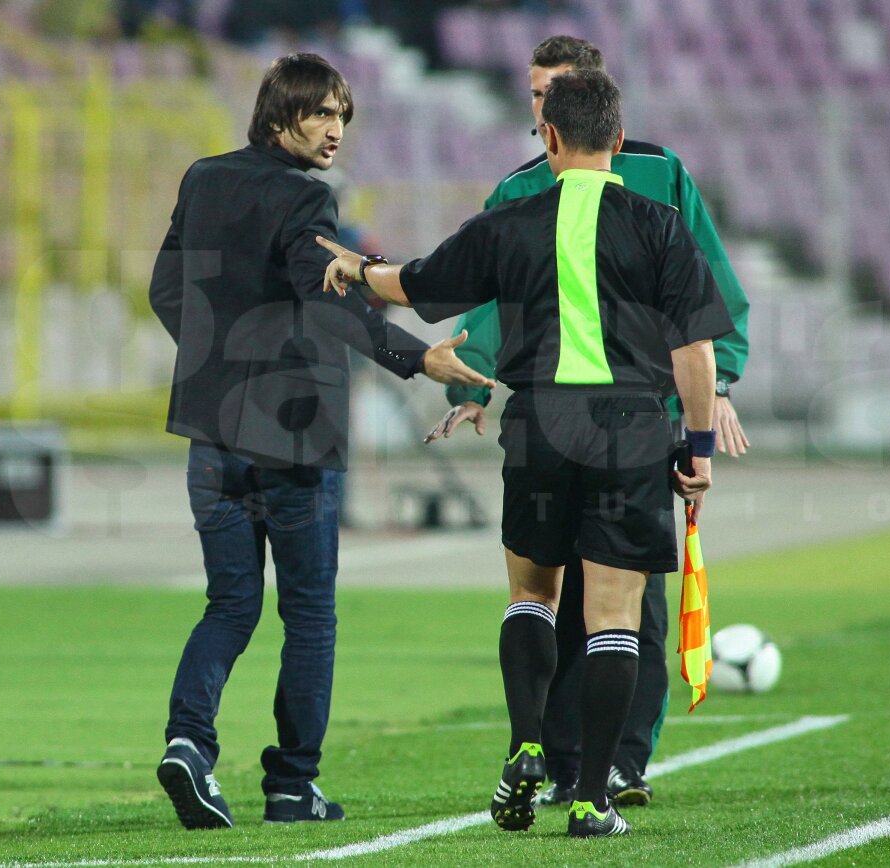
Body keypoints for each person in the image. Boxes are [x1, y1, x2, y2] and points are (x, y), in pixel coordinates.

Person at [315, 69, 733, 837]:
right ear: (616, 138)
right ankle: (592, 799)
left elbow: (416, 284)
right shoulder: (660, 224)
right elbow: (697, 352)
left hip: (539, 423)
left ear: (547, 138)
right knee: (613, 615)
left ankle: (527, 746)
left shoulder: (512, 220)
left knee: (532, 597)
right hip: (629, 426)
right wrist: (698, 446)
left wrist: (356, 268)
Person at [147, 53, 494, 830]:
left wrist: (218, 365)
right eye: (321, 113)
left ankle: (188, 744)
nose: (336, 129)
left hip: (214, 433)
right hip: (294, 435)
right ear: (280, 115)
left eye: (343, 114)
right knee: (307, 614)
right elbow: (331, 303)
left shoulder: (203, 177)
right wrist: (421, 356)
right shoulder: (307, 198)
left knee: (231, 604)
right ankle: (291, 785)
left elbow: (164, 290)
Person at [426, 34, 752, 807]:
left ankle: (621, 764)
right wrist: (470, 384)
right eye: (536, 92)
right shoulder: (516, 193)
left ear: (597, 99)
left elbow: (709, 293)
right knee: (575, 601)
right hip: (573, 418)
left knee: (626, 604)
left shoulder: (662, 173)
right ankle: (571, 768)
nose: (545, 105)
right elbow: (503, 300)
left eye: (558, 91)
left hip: (647, 415)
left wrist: (717, 387)